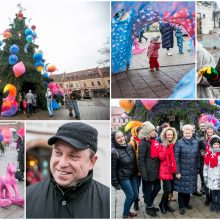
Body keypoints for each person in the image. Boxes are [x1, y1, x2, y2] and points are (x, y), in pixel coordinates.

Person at [26, 122, 110, 218]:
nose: (62, 163)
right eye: (58, 153)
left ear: (92, 162)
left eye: (73, 156)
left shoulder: (107, 201)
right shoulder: (29, 195)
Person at [111, 130, 138, 218]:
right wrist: (115, 183)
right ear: (115, 140)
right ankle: (125, 215)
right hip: (123, 177)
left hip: (133, 175)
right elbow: (113, 169)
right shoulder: (114, 152)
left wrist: (137, 172)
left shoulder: (130, 146)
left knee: (136, 195)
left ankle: (128, 209)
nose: (121, 138)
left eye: (122, 136)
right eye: (118, 138)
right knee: (130, 195)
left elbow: (134, 161)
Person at [173, 124, 199, 215]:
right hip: (182, 170)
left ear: (192, 133)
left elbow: (198, 156)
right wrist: (177, 171)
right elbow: (175, 159)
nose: (188, 134)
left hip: (192, 170)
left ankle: (187, 203)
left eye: (189, 132)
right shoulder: (179, 143)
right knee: (182, 190)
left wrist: (198, 168)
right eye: (186, 133)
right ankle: (181, 206)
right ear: (183, 133)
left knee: (189, 188)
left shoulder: (196, 142)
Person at [138, 121, 161, 217]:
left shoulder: (155, 140)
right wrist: (144, 174)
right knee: (147, 190)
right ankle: (149, 206)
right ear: (147, 132)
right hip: (148, 171)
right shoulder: (143, 143)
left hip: (156, 170)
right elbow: (141, 160)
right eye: (151, 131)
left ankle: (149, 203)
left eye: (153, 130)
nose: (153, 132)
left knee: (158, 188)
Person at [158, 127, 177, 214]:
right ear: (165, 135)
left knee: (171, 189)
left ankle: (166, 204)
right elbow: (161, 157)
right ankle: (162, 204)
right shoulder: (163, 145)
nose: (170, 136)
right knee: (167, 189)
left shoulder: (173, 144)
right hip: (164, 170)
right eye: (168, 134)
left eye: (171, 135)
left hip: (172, 170)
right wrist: (165, 147)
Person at [198, 122, 216, 204]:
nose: (209, 130)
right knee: (205, 181)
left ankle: (212, 197)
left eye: (211, 129)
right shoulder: (202, 140)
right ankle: (207, 198)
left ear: (213, 130)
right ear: (206, 130)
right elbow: (198, 152)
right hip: (204, 164)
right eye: (208, 129)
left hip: (214, 164)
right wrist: (202, 153)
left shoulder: (216, 138)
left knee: (213, 181)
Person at [204, 135, 220, 213]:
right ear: (211, 145)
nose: (216, 145)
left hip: (218, 178)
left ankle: (218, 205)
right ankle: (213, 204)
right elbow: (205, 166)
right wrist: (205, 176)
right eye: (214, 144)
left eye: (218, 144)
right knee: (212, 192)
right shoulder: (208, 154)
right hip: (211, 177)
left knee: (219, 193)